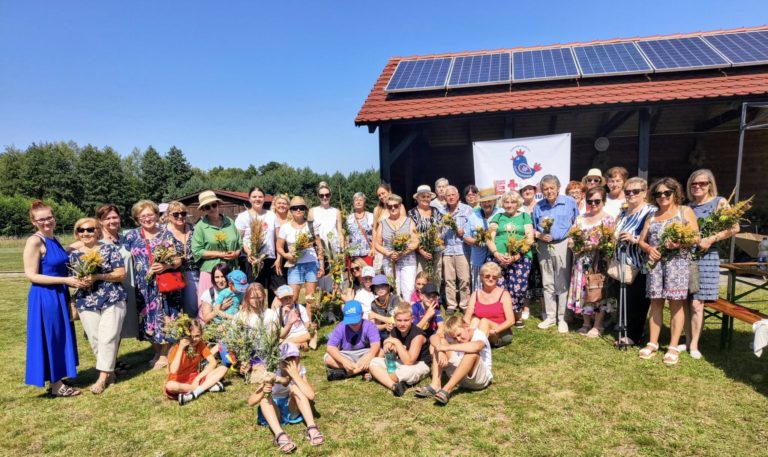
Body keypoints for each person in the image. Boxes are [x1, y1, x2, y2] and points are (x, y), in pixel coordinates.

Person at [638, 178, 700, 366]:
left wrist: (679, 243)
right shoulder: (652, 217)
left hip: (677, 265)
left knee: (676, 304)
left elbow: (696, 237)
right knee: (655, 303)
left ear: (675, 193)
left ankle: (673, 346)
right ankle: (653, 342)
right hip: (656, 266)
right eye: (658, 194)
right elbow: (641, 240)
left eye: (667, 193)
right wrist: (649, 249)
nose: (662, 197)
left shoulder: (684, 212)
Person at [23, 200, 82, 396]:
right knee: (51, 337)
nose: (47, 222)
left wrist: (76, 247)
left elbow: (56, 259)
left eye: (49, 217)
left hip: (59, 293)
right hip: (45, 297)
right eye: (41, 219)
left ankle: (58, 378)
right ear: (33, 221)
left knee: (59, 336)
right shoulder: (34, 241)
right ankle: (57, 386)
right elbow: (31, 275)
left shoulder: (53, 239)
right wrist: (66, 279)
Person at [683, 169, 739, 359]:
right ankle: (688, 340)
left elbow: (734, 227)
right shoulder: (687, 207)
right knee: (686, 301)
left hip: (707, 257)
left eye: (703, 183)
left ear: (710, 185)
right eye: (694, 184)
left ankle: (694, 345)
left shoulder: (719, 202)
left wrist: (711, 238)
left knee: (698, 303)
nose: (698, 186)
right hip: (687, 257)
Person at [69, 218, 127, 394]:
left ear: (98, 231)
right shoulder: (73, 255)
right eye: (81, 230)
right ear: (77, 233)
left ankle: (102, 378)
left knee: (108, 337)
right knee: (95, 339)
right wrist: (79, 282)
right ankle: (110, 373)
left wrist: (97, 277)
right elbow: (69, 280)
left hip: (112, 298)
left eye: (90, 229)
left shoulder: (110, 249)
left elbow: (120, 274)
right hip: (86, 300)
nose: (86, 233)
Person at [123, 200, 183, 369]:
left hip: (164, 286)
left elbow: (179, 259)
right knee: (147, 318)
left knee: (165, 316)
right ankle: (156, 351)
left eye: (150, 215)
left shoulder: (167, 234)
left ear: (157, 215)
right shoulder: (131, 236)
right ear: (137, 219)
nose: (147, 218)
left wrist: (166, 265)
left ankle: (164, 353)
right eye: (143, 216)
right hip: (143, 287)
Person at [249, 343, 325, 452]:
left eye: (293, 357)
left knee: (295, 388)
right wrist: (263, 391)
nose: (290, 362)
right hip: (274, 411)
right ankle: (280, 435)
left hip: (291, 409)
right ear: (278, 361)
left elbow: (311, 395)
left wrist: (295, 376)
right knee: (264, 398)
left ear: (299, 358)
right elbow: (251, 402)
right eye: (286, 359)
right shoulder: (271, 372)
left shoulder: (299, 371)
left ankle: (312, 428)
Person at [533, 175, 580, 333]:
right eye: (545, 188)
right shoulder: (538, 206)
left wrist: (572, 237)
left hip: (562, 245)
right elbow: (533, 228)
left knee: (562, 282)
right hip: (544, 247)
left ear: (558, 188)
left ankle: (562, 318)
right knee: (547, 283)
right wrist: (539, 235)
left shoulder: (569, 202)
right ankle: (550, 317)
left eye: (552, 188)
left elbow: (577, 223)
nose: (549, 191)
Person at [566, 187, 615, 337]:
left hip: (598, 261)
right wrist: (575, 246)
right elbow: (571, 238)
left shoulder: (608, 219)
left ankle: (597, 325)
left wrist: (593, 246)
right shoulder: (581, 218)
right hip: (581, 261)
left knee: (597, 291)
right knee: (583, 291)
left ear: (604, 201)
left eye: (597, 201)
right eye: (590, 201)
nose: (593, 204)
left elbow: (611, 242)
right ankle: (586, 322)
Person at [95, 203, 138, 372]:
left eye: (115, 217)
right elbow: (75, 248)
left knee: (117, 328)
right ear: (100, 221)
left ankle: (113, 360)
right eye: (107, 218)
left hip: (126, 286)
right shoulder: (97, 241)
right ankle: (108, 366)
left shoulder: (124, 239)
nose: (112, 221)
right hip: (107, 289)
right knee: (108, 329)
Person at [613, 177, 655, 346]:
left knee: (637, 300)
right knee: (623, 297)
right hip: (622, 262)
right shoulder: (623, 212)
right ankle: (625, 328)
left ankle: (634, 334)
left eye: (635, 191)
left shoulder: (650, 211)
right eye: (627, 192)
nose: (631, 194)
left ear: (644, 193)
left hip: (640, 263)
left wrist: (634, 238)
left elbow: (654, 236)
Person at [415, 316, 492, 405]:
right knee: (439, 343)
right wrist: (440, 351)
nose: (458, 339)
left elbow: (477, 347)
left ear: (467, 327)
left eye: (459, 335)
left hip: (479, 379)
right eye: (455, 338)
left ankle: (447, 389)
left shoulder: (478, 334)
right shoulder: (453, 334)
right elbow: (433, 337)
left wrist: (447, 348)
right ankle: (435, 385)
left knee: (472, 353)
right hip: (460, 378)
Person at [487, 191, 534, 325]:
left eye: (512, 202)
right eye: (506, 202)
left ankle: (516, 314)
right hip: (498, 258)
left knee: (518, 288)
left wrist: (516, 256)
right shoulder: (497, 216)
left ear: (518, 203)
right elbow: (489, 237)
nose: (509, 205)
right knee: (499, 287)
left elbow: (530, 238)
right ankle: (501, 316)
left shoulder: (525, 216)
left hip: (520, 258)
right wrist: (496, 253)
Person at [191, 190, 242, 307]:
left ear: (218, 204)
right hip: (211, 272)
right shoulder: (201, 227)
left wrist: (236, 253)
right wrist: (220, 254)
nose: (212, 208)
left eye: (214, 205)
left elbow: (239, 243)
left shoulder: (229, 222)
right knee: (210, 304)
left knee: (232, 303)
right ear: (203, 210)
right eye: (207, 207)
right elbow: (197, 251)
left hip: (230, 270)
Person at [368, 303, 431, 397]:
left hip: (419, 364)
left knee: (406, 371)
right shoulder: (394, 330)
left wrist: (396, 342)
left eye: (406, 320)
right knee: (374, 362)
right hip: (401, 362)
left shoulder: (418, 335)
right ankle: (394, 386)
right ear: (394, 320)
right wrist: (388, 345)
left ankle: (380, 376)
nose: (402, 324)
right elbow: (389, 344)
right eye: (399, 320)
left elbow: (409, 361)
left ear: (412, 319)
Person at [164, 319, 228, 405]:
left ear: (201, 334)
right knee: (170, 385)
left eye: (197, 336)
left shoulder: (200, 344)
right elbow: (173, 370)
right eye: (191, 336)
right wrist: (180, 348)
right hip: (178, 381)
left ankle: (194, 394)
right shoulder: (177, 347)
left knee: (223, 368)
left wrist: (197, 379)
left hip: (194, 378)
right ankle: (205, 387)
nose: (194, 339)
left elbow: (213, 363)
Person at [276, 196, 324, 310]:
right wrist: (286, 255)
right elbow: (279, 246)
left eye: (301, 208)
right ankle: (294, 324)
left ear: (305, 210)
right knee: (293, 297)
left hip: (311, 264)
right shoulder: (285, 227)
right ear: (291, 210)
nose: (298, 210)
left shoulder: (311, 225)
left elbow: (319, 246)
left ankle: (310, 324)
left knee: (310, 297)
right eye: (295, 208)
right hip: (294, 265)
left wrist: (321, 265)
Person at [375, 194, 419, 301]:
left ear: (400, 206)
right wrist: (387, 253)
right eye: (390, 206)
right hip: (390, 261)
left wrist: (402, 253)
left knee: (408, 288)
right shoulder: (382, 224)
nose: (393, 208)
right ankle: (396, 313)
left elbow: (415, 241)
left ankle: (408, 312)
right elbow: (377, 243)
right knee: (394, 288)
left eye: (395, 205)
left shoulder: (409, 221)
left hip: (408, 260)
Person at [324, 300, 382, 380]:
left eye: (356, 321)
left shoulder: (369, 325)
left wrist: (369, 356)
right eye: (351, 322)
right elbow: (330, 347)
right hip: (347, 354)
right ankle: (364, 369)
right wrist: (343, 360)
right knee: (328, 359)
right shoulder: (341, 326)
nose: (354, 325)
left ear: (362, 315)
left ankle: (348, 373)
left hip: (364, 352)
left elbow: (376, 344)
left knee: (381, 352)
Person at [235, 186, 278, 292]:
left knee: (274, 290)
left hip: (269, 257)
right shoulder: (242, 216)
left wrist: (278, 258)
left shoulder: (271, 215)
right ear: (249, 199)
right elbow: (238, 239)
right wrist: (249, 253)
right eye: (254, 197)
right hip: (251, 259)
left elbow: (277, 239)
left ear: (264, 198)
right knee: (254, 290)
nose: (257, 199)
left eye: (260, 196)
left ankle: (272, 309)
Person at [439, 186, 473, 314]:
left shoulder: (467, 209)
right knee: (449, 279)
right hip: (447, 250)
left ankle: (464, 305)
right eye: (448, 195)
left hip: (462, 249)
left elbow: (472, 228)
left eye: (453, 195)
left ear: (458, 196)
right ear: (445, 197)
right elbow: (439, 232)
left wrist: (464, 232)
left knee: (464, 279)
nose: (451, 197)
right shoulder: (441, 211)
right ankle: (451, 305)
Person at [464, 262, 515, 346]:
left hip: (500, 332)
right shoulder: (475, 294)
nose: (491, 279)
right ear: (481, 277)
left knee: (484, 321)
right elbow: (467, 316)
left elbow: (511, 321)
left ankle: (475, 347)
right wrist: (465, 328)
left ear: (497, 279)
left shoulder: (504, 294)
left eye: (494, 277)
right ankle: (471, 344)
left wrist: (494, 331)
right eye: (487, 276)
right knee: (474, 320)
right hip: (482, 330)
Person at [165, 200, 199, 318]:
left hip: (192, 272)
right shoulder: (163, 232)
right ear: (168, 216)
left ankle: (194, 333)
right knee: (175, 310)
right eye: (175, 214)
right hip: (171, 274)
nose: (180, 217)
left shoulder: (194, 229)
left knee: (192, 308)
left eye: (183, 214)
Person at [464, 187, 500, 289]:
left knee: (496, 282)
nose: (486, 204)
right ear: (480, 203)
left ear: (494, 201)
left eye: (489, 201)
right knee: (478, 285)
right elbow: (466, 237)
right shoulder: (474, 216)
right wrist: (476, 241)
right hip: (478, 257)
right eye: (484, 202)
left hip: (496, 256)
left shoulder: (501, 213)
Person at [519, 184, 542, 319]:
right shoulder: (519, 208)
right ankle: (526, 308)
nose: (527, 191)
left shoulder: (540, 205)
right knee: (526, 277)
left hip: (540, 246)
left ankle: (543, 308)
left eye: (530, 189)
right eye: (524, 189)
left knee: (540, 277)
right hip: (524, 247)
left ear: (534, 191)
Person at [368, 274, 400, 341]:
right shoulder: (373, 304)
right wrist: (385, 326)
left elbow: (395, 320)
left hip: (396, 331)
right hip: (382, 333)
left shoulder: (395, 299)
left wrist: (375, 315)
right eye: (377, 287)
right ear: (374, 290)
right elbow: (374, 326)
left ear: (388, 287)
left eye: (383, 286)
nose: (380, 289)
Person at [346, 191, 375, 266]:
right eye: (356, 200)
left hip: (368, 254)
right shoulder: (348, 218)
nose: (358, 202)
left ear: (364, 202)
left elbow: (375, 233)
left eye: (360, 200)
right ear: (353, 202)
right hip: (353, 255)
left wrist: (373, 248)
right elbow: (346, 235)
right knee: (356, 276)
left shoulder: (371, 216)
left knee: (368, 276)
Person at [271, 193, 291, 290]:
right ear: (274, 205)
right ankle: (274, 305)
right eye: (279, 203)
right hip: (274, 254)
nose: (281, 205)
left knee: (289, 281)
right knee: (276, 282)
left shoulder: (292, 220)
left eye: (284, 203)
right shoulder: (270, 218)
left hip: (289, 254)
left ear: (288, 206)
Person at [373, 183, 392, 271]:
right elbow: (374, 230)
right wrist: (373, 247)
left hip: (393, 245)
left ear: (389, 192)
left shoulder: (398, 206)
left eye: (383, 193)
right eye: (379, 195)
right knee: (379, 273)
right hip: (380, 247)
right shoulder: (377, 210)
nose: (381, 196)